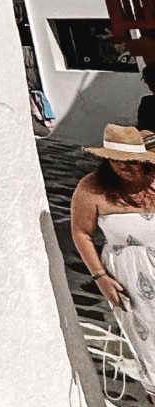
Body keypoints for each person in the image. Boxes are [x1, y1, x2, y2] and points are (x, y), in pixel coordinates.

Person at [71, 121, 155, 393]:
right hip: (131, 282)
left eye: (131, 162)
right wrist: (100, 278)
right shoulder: (92, 189)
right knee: (150, 352)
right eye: (117, 162)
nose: (125, 168)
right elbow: (82, 233)